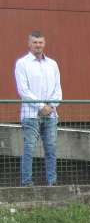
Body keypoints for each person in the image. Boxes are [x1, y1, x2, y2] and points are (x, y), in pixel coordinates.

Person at [14, 30, 61, 187]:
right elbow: (23, 90)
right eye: (35, 42)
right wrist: (41, 106)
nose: (38, 45)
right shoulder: (22, 64)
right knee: (29, 150)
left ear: (44, 43)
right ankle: (27, 183)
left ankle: (52, 183)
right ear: (29, 44)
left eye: (40, 42)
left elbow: (58, 89)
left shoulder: (52, 64)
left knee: (51, 150)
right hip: (30, 115)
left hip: (51, 115)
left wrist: (51, 106)